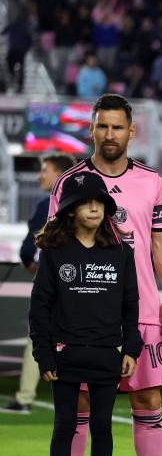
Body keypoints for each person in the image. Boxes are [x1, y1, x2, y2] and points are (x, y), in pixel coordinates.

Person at [48, 94, 162, 456]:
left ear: (131, 131)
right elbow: (53, 246)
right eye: (102, 126)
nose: (110, 134)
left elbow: (161, 239)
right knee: (81, 405)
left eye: (117, 126)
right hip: (83, 314)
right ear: (91, 130)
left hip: (141, 309)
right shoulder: (69, 183)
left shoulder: (151, 181)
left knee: (147, 400)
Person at [31, 171, 142, 456]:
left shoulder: (121, 252)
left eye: (99, 203)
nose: (94, 209)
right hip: (65, 355)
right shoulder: (53, 253)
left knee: (103, 427)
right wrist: (44, 354)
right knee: (64, 426)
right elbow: (40, 309)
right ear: (70, 210)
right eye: (85, 204)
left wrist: (132, 348)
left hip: (106, 355)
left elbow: (131, 304)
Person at [1, 154, 74, 415]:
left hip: (52, 281)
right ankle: (93, 395)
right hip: (85, 281)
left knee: (38, 337)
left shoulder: (46, 205)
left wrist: (30, 264)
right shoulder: (88, 201)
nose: (40, 176)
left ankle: (24, 399)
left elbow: (27, 249)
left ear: (60, 174)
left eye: (45, 170)